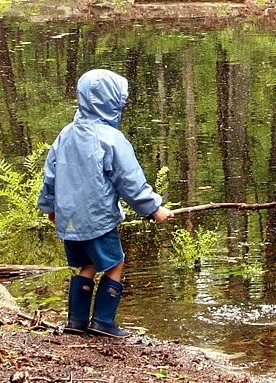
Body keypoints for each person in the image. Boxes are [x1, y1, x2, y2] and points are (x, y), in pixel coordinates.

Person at [37, 69, 174, 338]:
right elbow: (130, 181)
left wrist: (50, 207)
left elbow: (50, 174)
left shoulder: (66, 134)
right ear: (110, 102)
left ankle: (76, 322)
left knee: (86, 264)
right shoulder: (111, 139)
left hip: (70, 218)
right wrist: (153, 208)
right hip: (97, 217)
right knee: (115, 262)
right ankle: (103, 321)